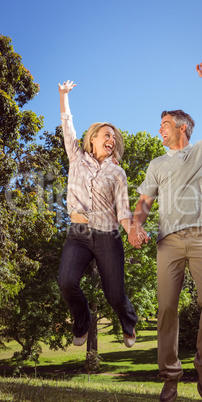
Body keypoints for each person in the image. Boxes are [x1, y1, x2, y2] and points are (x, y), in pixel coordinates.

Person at [128, 63, 202, 401]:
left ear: (183, 126)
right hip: (168, 243)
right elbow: (144, 201)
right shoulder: (156, 164)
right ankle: (171, 376)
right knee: (166, 309)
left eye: (164, 124)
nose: (159, 129)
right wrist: (135, 225)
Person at [58, 80, 142, 348]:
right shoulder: (77, 157)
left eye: (113, 137)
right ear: (92, 138)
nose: (111, 139)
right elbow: (67, 126)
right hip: (79, 235)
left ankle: (129, 323)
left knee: (115, 295)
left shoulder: (118, 173)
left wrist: (132, 231)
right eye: (106, 135)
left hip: (107, 236)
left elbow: (123, 211)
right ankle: (82, 322)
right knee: (67, 282)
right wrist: (64, 96)